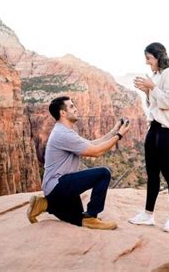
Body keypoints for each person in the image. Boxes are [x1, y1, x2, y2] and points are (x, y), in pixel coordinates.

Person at [26, 96, 131, 230]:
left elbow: (92, 144)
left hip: (58, 187)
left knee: (77, 218)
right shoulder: (63, 134)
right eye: (71, 106)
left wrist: (114, 131)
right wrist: (119, 136)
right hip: (58, 186)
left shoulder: (65, 131)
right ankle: (92, 216)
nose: (76, 109)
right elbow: (96, 152)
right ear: (62, 113)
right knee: (103, 173)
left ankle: (44, 204)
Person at [129, 42, 169, 234]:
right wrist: (148, 91)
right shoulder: (155, 76)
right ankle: (147, 214)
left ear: (158, 57)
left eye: (149, 58)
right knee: (152, 172)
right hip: (154, 128)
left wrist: (152, 87)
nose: (147, 63)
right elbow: (154, 105)